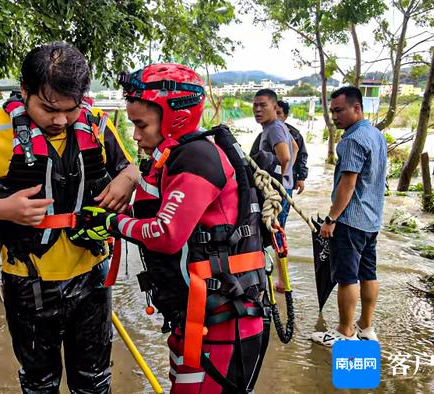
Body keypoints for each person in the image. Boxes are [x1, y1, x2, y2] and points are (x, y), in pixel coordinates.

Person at [0, 43, 138, 393]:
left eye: (70, 109)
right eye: (49, 109)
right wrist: (4, 209)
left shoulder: (95, 127)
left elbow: (129, 169)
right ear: (24, 91)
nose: (60, 120)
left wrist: (128, 178)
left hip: (91, 277)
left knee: (94, 381)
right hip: (27, 280)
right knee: (39, 382)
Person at [71, 63, 270, 393]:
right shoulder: (173, 158)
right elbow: (163, 214)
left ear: (175, 116)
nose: (135, 134)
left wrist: (113, 223)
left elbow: (167, 234)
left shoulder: (197, 158)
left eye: (140, 124)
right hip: (196, 320)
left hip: (223, 324)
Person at [311, 86, 386, 346]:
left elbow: (348, 185)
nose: (335, 116)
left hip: (351, 221)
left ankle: (345, 332)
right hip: (371, 220)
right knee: (368, 273)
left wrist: (331, 220)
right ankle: (366, 327)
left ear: (357, 107)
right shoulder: (376, 134)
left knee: (347, 277)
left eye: (339, 110)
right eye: (332, 111)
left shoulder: (352, 140)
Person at [250, 89, 297, 229]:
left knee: (275, 234)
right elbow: (294, 147)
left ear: (275, 107)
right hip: (284, 188)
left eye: (263, 105)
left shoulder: (274, 129)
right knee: (278, 232)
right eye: (255, 105)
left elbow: (286, 157)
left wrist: (277, 181)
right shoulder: (277, 126)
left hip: (277, 192)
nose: (258, 110)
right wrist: (287, 175)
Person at [276, 100, 308, 196]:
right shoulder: (263, 135)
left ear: (285, 116)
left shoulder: (295, 135)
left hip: (287, 179)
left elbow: (302, 156)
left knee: (283, 209)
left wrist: (301, 178)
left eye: (278, 113)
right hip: (268, 180)